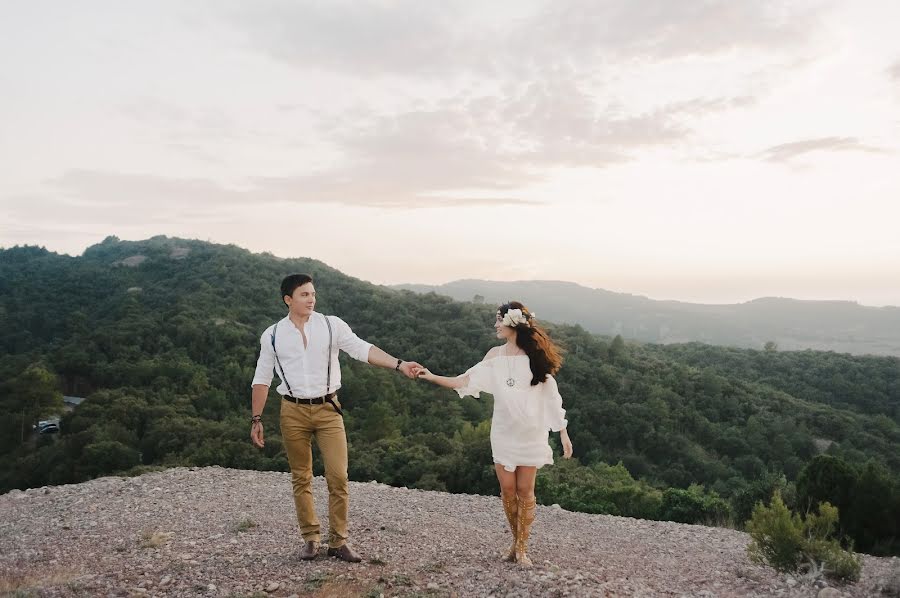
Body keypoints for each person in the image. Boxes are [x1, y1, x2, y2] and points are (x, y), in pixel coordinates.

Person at [250, 274, 422, 562]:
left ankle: (339, 542)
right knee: (301, 477)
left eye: (313, 294)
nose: (311, 299)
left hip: (329, 409)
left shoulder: (331, 325)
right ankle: (310, 538)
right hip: (292, 410)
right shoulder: (272, 335)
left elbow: (361, 348)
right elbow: (262, 377)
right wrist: (256, 419)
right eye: (304, 294)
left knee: (338, 476)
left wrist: (399, 364)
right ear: (288, 300)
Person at [417, 301, 573, 567]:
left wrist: (563, 432)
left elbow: (551, 396)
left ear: (513, 322)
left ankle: (521, 548)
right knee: (508, 490)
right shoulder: (494, 356)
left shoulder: (535, 357)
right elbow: (464, 380)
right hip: (503, 432)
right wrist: (431, 376)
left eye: (499, 320)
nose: (496, 325)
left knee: (526, 490)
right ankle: (516, 542)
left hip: (530, 433)